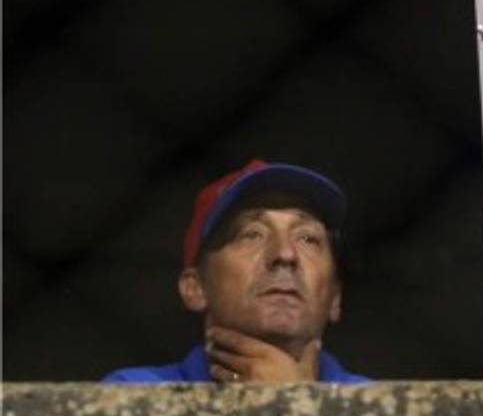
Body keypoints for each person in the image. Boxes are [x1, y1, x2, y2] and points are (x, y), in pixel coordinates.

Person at [103, 159, 368, 383]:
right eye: (251, 234)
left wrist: (296, 404)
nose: (285, 254)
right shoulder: (135, 392)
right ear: (195, 288)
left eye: (308, 238)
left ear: (335, 297)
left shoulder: (384, 405)